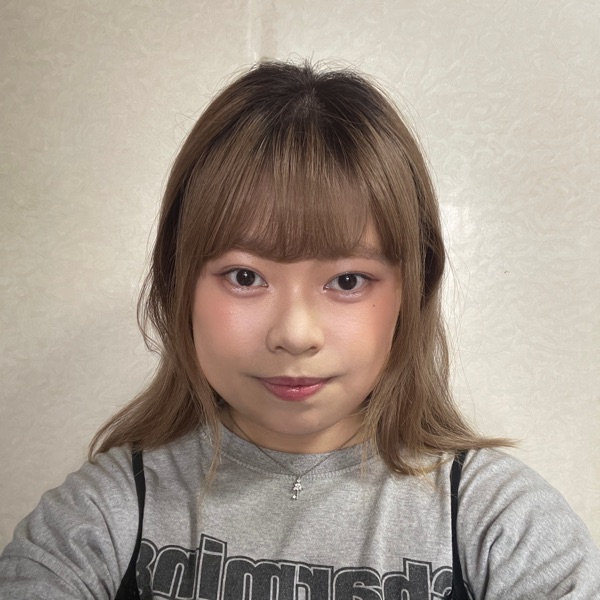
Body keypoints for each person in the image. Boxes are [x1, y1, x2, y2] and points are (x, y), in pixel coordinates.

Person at [0, 60, 598, 600]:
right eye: (244, 276)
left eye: (347, 281)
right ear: (179, 285)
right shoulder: (105, 513)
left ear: (410, 293)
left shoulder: (497, 523)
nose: (294, 334)